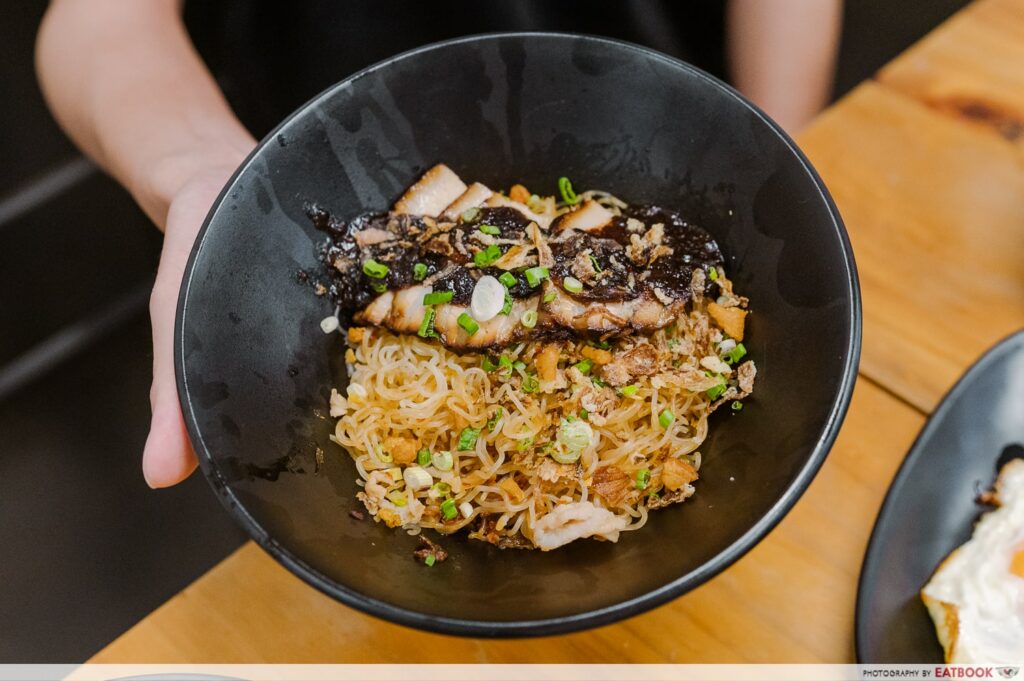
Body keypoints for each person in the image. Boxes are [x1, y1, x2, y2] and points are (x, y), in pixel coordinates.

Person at [36, 0, 842, 489]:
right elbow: (97, 22)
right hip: (319, 156)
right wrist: (206, 175)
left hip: (652, 113)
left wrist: (770, 164)